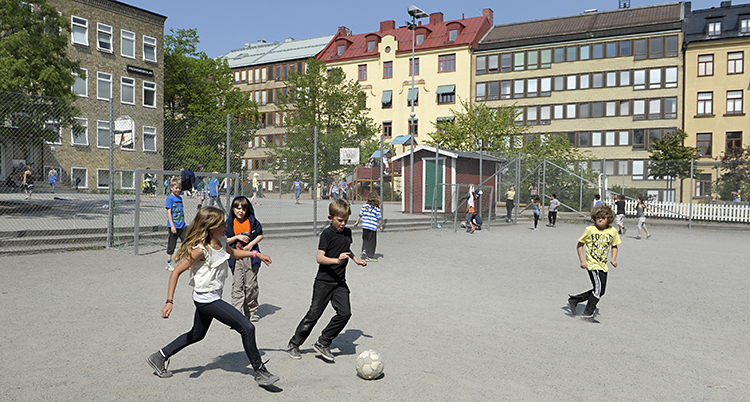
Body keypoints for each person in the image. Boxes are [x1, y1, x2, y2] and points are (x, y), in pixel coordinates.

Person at [146, 207, 279, 387]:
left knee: (197, 334)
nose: (226, 225)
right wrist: (169, 302)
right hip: (206, 300)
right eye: (221, 223)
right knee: (247, 327)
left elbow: (234, 253)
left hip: (212, 297)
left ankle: (159, 356)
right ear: (210, 227)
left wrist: (257, 254)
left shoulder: (222, 240)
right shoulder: (200, 250)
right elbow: (176, 272)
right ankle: (260, 371)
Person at [286, 199, 367, 362]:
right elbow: (319, 258)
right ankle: (294, 343)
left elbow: (346, 249)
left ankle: (323, 342)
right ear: (331, 217)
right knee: (313, 315)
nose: (343, 224)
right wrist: (336, 261)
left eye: (346, 220)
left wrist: (356, 259)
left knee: (345, 313)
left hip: (339, 282)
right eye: (340, 220)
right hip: (324, 282)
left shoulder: (347, 233)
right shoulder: (327, 234)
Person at [567, 204, 621, 321]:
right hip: (592, 264)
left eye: (603, 217)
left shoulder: (612, 231)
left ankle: (575, 300)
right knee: (597, 289)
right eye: (598, 217)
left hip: (603, 265)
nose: (600, 219)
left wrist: (613, 259)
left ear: (609, 219)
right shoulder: (590, 230)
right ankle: (587, 313)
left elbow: (614, 246)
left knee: (601, 291)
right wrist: (583, 261)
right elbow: (580, 245)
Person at [226, 196, 264, 322]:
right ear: (233, 209)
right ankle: (236, 314)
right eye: (237, 208)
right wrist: (237, 237)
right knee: (237, 285)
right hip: (236, 257)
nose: (240, 211)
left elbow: (260, 235)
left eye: (243, 208)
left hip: (251, 257)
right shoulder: (229, 223)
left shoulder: (251, 221)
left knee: (251, 285)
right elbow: (224, 240)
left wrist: (251, 244)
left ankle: (251, 311)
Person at [353, 194, 383, 261]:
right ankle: (370, 255)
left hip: (365, 226)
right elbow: (379, 218)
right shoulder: (377, 208)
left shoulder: (365, 206)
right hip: (372, 226)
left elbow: (360, 214)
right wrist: (381, 226)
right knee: (372, 241)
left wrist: (357, 222)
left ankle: (364, 250)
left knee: (365, 239)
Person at [165, 179, 186, 271]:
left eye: (179, 188)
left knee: (186, 242)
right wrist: (172, 225)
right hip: (174, 225)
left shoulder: (180, 198)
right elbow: (169, 213)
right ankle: (168, 263)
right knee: (171, 244)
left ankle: (187, 261)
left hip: (182, 224)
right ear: (171, 188)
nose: (178, 190)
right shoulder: (170, 198)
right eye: (176, 188)